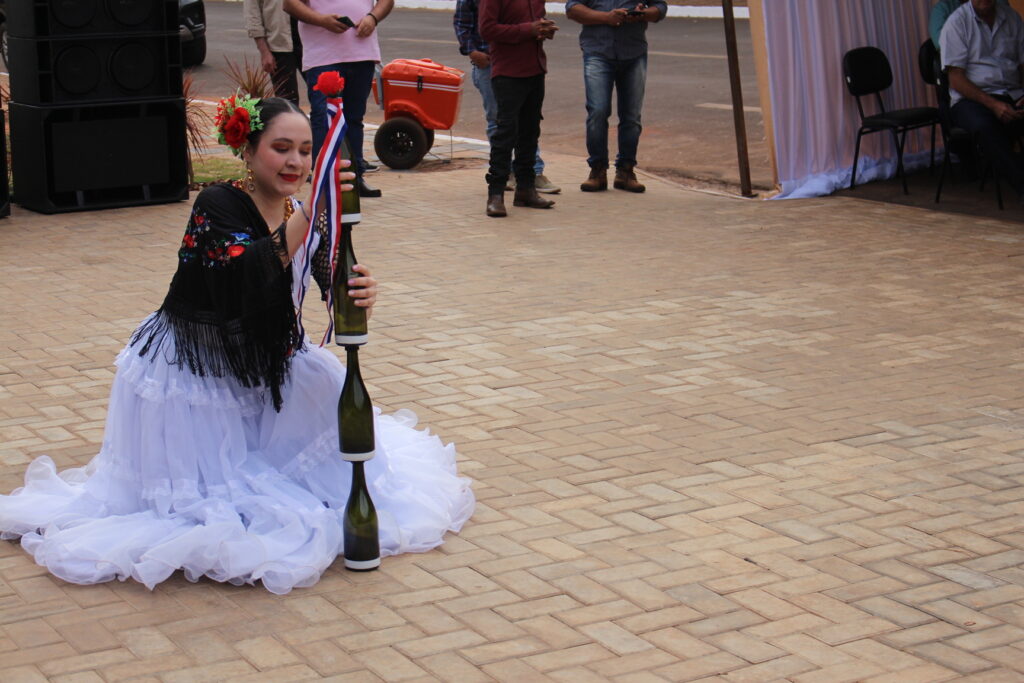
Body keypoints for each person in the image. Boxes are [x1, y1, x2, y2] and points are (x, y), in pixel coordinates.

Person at [0, 94, 475, 595]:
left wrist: (359, 291)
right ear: (247, 152)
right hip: (196, 375)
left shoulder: (301, 210)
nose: (295, 162)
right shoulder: (217, 204)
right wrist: (311, 211)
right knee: (220, 507)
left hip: (266, 359)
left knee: (337, 442)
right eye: (281, 148)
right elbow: (244, 279)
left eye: (306, 150)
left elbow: (329, 286)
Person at [284, 0, 393, 198]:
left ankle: (355, 177)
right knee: (323, 118)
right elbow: (290, 4)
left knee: (353, 119)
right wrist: (321, 20)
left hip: (361, 54)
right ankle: (324, 178)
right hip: (323, 58)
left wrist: (372, 17)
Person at [453, 0, 560, 195]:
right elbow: (464, 23)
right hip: (490, 60)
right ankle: (503, 178)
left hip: (528, 63)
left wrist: (542, 30)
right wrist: (472, 51)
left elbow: (534, 21)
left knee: (528, 125)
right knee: (500, 122)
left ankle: (531, 175)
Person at [566, 0, 666, 194]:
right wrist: (606, 17)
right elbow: (572, 9)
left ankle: (626, 171)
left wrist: (643, 15)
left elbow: (660, 7)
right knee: (598, 110)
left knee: (631, 115)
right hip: (597, 52)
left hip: (634, 52)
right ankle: (597, 170)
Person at [478, 0, 558, 217]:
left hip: (535, 68)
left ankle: (525, 189)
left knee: (530, 132)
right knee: (505, 133)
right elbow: (487, 29)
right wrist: (528, 30)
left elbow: (533, 25)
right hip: (508, 72)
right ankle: (495, 194)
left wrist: (542, 30)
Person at [940, 0, 1024, 198]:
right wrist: (993, 105)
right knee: (985, 125)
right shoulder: (956, 23)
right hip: (971, 98)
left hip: (1011, 92)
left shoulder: (1011, 18)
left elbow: (1022, 64)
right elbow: (956, 79)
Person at [245, 0, 303, 104]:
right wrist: (264, 52)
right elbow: (253, 15)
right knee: (287, 101)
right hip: (279, 46)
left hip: (310, 44)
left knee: (321, 95)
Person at [930, 0, 1009, 49]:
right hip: (965, 65)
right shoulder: (941, 9)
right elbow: (942, 44)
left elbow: (1009, 34)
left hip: (1004, 60)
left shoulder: (997, 3)